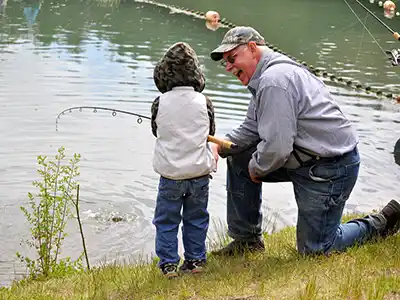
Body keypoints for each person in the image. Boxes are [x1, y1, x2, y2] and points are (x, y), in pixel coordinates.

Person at [208, 26, 400, 256]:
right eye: (225, 62)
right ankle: (246, 241)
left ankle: (381, 222)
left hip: (330, 167)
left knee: (316, 249)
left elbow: (277, 148)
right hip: (305, 158)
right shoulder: (264, 76)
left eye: (232, 58)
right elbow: (252, 127)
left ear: (252, 48)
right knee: (237, 154)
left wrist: (257, 168)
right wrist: (221, 144)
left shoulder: (273, 80)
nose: (228, 67)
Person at [151, 41, 217, 277]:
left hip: (170, 176)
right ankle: (196, 261)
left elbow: (155, 131)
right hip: (199, 175)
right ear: (196, 73)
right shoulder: (205, 102)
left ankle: (169, 264)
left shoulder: (160, 103)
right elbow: (211, 131)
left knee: (166, 221)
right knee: (197, 218)